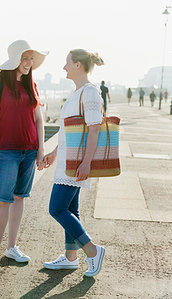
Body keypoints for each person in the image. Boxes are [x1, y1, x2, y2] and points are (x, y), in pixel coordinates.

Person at [0, 40, 48, 269]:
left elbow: (38, 118)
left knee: (19, 198)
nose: (29, 63)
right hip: (6, 149)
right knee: (2, 200)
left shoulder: (31, 84)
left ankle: (12, 247)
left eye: (31, 59)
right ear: (15, 59)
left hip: (29, 150)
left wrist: (41, 149)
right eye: (25, 58)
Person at [41, 49, 106, 277]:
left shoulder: (89, 92)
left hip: (77, 162)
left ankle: (92, 251)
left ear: (78, 65)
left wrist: (87, 162)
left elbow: (95, 128)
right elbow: (70, 132)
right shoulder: (77, 92)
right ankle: (70, 258)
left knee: (57, 208)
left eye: (67, 63)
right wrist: (55, 153)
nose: (64, 67)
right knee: (70, 209)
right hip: (68, 160)